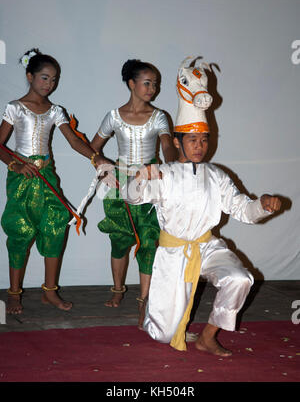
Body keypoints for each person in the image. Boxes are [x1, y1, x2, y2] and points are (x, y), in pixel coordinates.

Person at [125, 122, 281, 356]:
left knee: (240, 279)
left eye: (204, 140)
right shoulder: (164, 174)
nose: (200, 146)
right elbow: (131, 197)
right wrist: (139, 178)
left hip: (207, 246)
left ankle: (207, 337)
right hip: (173, 252)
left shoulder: (216, 175)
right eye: (193, 140)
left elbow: (242, 209)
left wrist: (263, 204)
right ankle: (155, 307)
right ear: (177, 142)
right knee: (163, 335)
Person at [0, 48, 102, 315]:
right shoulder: (15, 107)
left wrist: (95, 158)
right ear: (30, 76)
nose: (49, 84)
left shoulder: (56, 111)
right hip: (22, 179)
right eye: (44, 78)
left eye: (54, 79)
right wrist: (16, 164)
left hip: (46, 178)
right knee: (20, 229)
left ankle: (50, 291)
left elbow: (74, 141)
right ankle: (13, 293)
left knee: (56, 224)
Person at [90, 59, 176, 328]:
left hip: (150, 184)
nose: (153, 88)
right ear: (131, 84)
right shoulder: (114, 116)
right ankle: (117, 289)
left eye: (155, 84)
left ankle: (144, 301)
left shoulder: (160, 116)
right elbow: (94, 148)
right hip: (120, 185)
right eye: (147, 83)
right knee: (119, 239)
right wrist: (103, 167)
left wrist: (171, 163)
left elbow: (167, 148)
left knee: (149, 241)